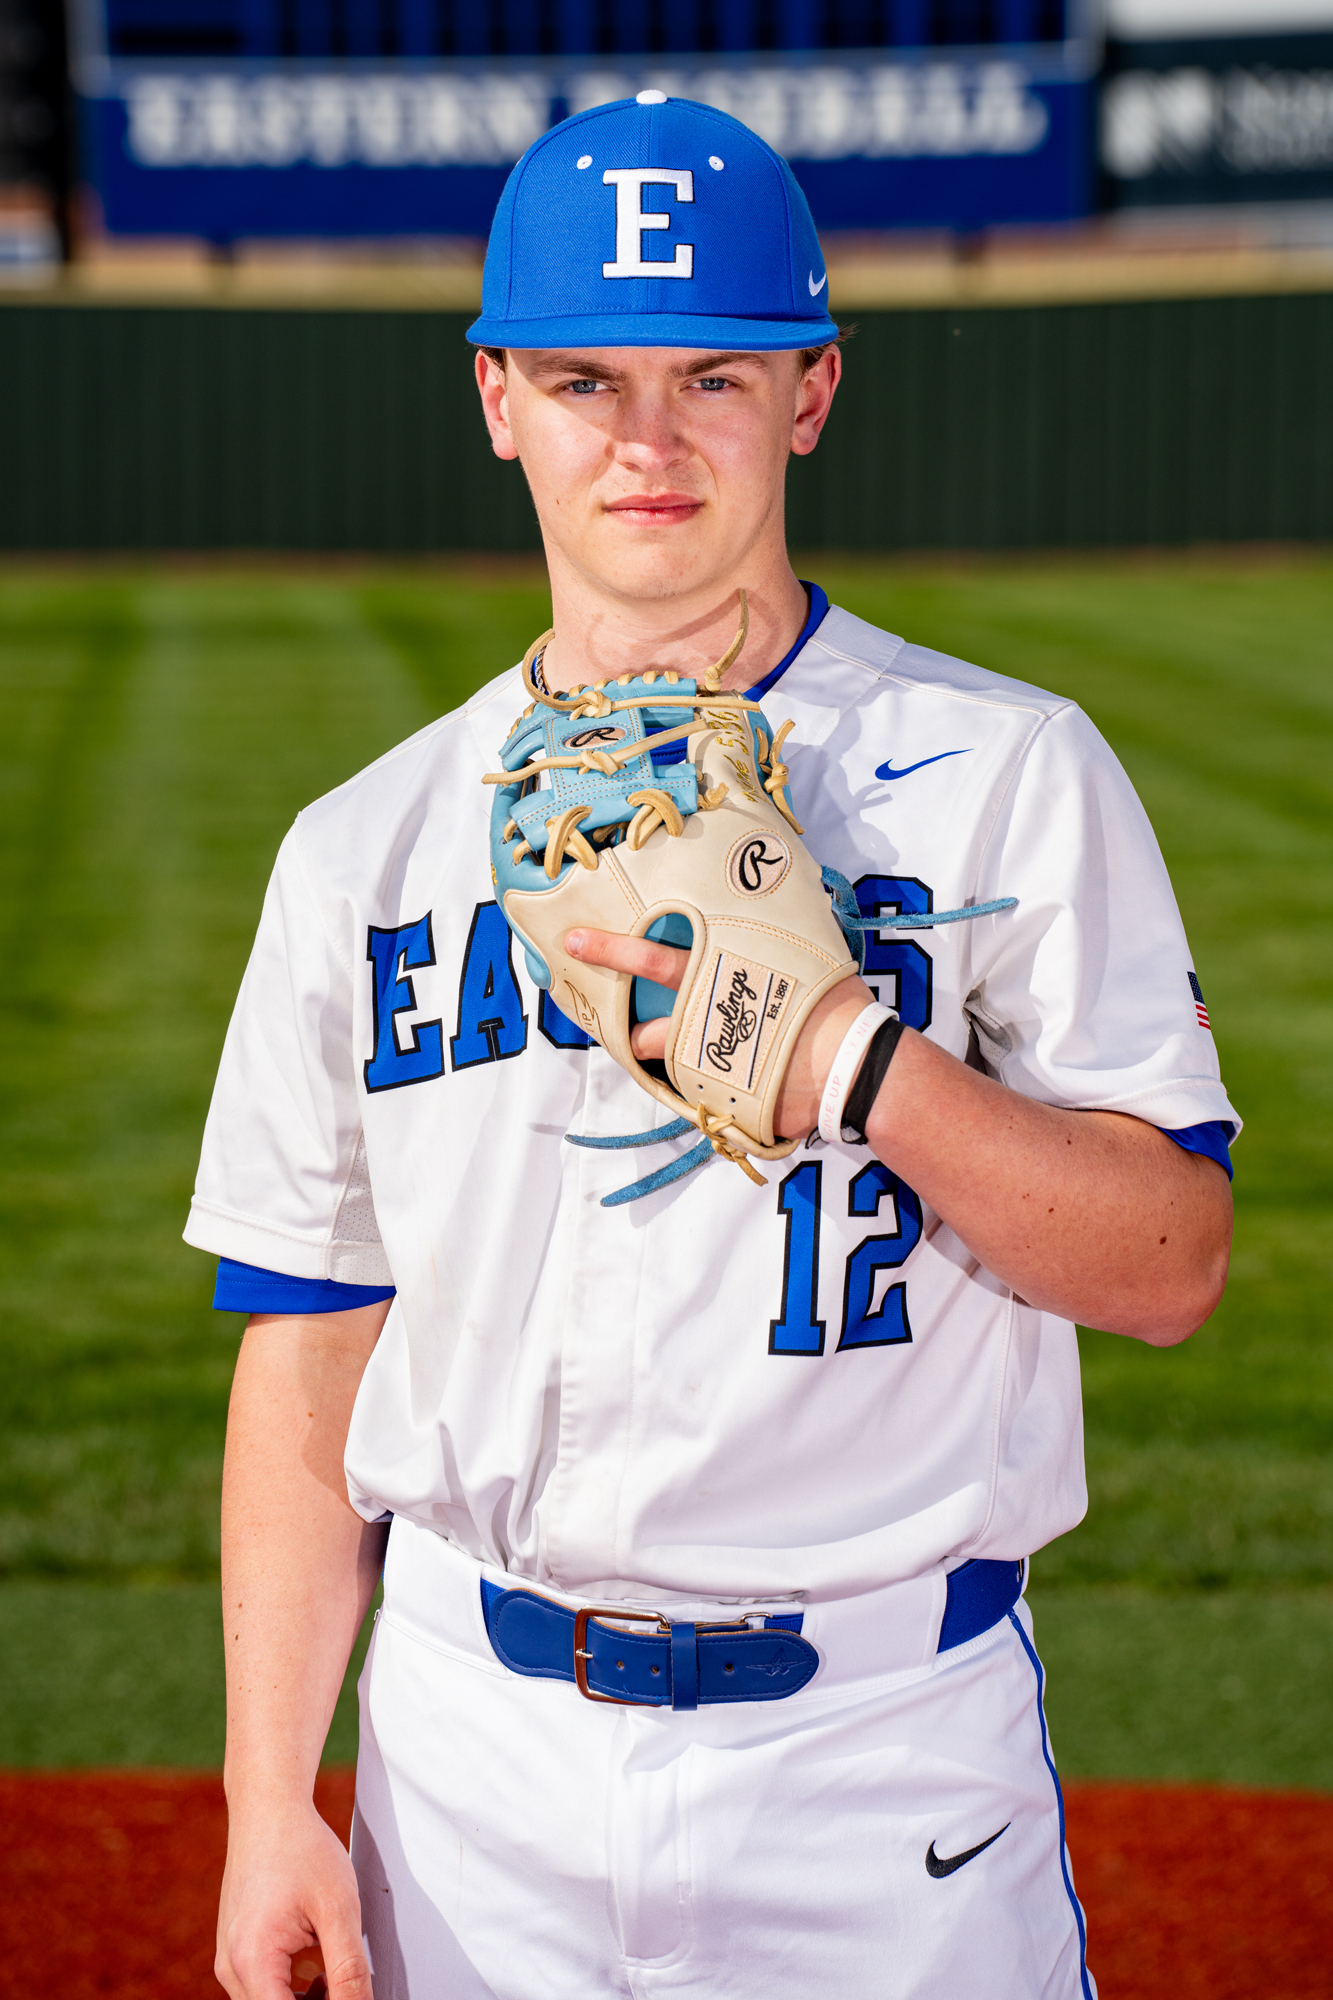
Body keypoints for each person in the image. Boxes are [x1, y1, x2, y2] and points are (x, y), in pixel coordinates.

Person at [193, 93, 1238, 2000]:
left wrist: (853, 1061)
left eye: (715, 379)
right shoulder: (364, 847)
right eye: (585, 381)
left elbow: (1168, 1265)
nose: (648, 442)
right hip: (469, 1772)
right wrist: (270, 1796)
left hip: (882, 1765)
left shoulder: (1003, 776)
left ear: (811, 392)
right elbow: (317, 1334)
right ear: (497, 399)